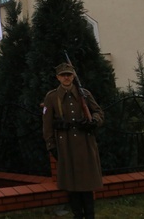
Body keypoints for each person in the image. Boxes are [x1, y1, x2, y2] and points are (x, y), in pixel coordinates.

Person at [42, 63, 104, 219]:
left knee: (87, 183)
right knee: (72, 184)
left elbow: (98, 112)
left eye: (69, 74)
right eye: (63, 75)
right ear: (58, 77)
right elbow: (47, 125)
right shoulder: (52, 97)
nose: (66, 77)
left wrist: (93, 121)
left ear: (73, 76)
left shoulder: (85, 94)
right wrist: (51, 146)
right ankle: (78, 215)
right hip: (65, 145)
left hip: (85, 143)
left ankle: (89, 215)